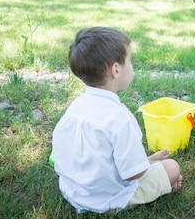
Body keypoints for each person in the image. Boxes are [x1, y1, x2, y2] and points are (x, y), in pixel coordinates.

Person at [52, 27, 182, 214]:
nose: (132, 65)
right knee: (171, 167)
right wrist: (150, 168)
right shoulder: (120, 118)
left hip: (73, 190)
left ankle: (145, 161)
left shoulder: (74, 109)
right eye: (130, 60)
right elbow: (134, 174)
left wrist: (146, 161)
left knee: (147, 165)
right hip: (107, 199)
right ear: (116, 69)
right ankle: (159, 180)